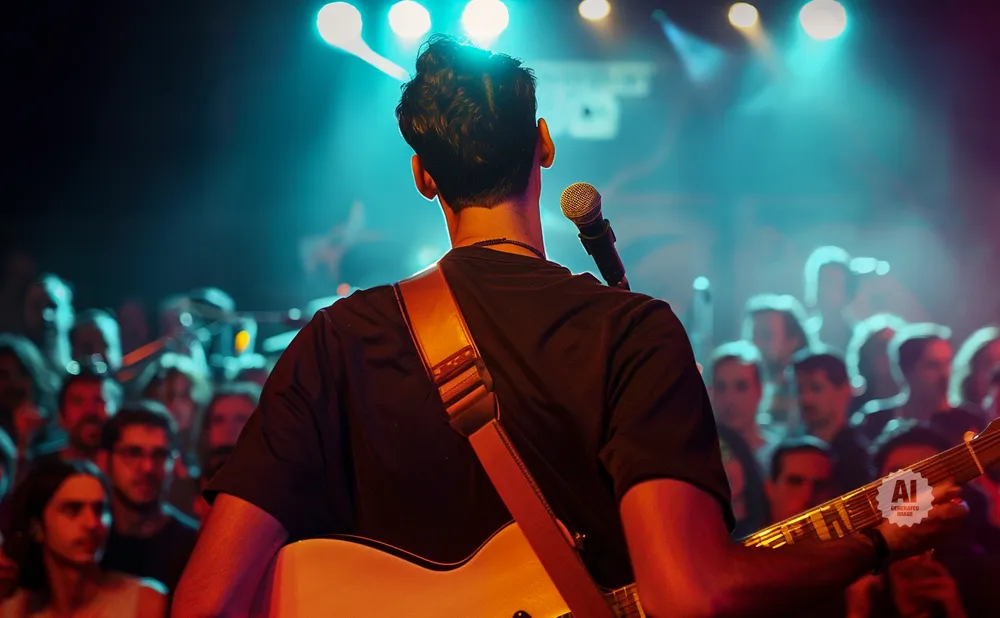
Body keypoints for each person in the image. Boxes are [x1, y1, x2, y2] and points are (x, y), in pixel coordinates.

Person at [174, 36, 968, 617]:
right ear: (545, 144)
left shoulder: (336, 338)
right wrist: (875, 542)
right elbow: (690, 594)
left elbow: (205, 601)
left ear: (423, 176)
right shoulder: (632, 333)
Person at [0, 459, 166, 616]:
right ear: (36, 527)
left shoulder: (145, 602)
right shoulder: (15, 609)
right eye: (72, 509)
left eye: (99, 510)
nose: (92, 523)